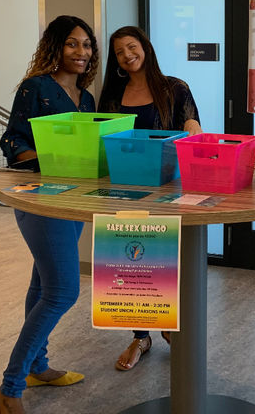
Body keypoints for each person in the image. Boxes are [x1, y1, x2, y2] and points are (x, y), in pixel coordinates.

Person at [0, 16, 99, 414]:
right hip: (40, 198)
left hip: (72, 199)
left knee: (42, 287)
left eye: (87, 45)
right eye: (72, 44)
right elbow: (13, 140)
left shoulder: (85, 98)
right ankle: (9, 388)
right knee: (63, 292)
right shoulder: (35, 87)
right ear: (54, 46)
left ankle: (37, 366)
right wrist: (51, 160)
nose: (81, 53)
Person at [98, 26, 202, 371]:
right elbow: (104, 135)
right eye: (119, 52)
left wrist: (191, 129)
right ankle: (141, 335)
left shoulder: (174, 87)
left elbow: (193, 125)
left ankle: (169, 325)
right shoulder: (113, 94)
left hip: (168, 189)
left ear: (145, 47)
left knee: (167, 258)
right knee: (130, 262)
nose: (127, 55)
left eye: (132, 47)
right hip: (126, 189)